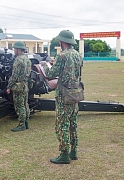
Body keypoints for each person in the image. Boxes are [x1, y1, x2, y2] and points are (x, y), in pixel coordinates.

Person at [40, 30, 82, 164]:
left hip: (63, 94)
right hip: (75, 93)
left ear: (62, 42)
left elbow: (51, 74)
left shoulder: (62, 56)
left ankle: (64, 154)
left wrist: (44, 66)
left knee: (62, 124)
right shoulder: (77, 55)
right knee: (73, 123)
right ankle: (73, 151)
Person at [6, 41, 31, 132]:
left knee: (19, 106)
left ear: (18, 49)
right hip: (25, 85)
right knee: (25, 104)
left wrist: (9, 86)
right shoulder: (27, 59)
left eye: (15, 49)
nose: (14, 51)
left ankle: (21, 125)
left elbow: (14, 75)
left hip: (18, 86)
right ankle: (26, 123)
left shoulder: (18, 60)